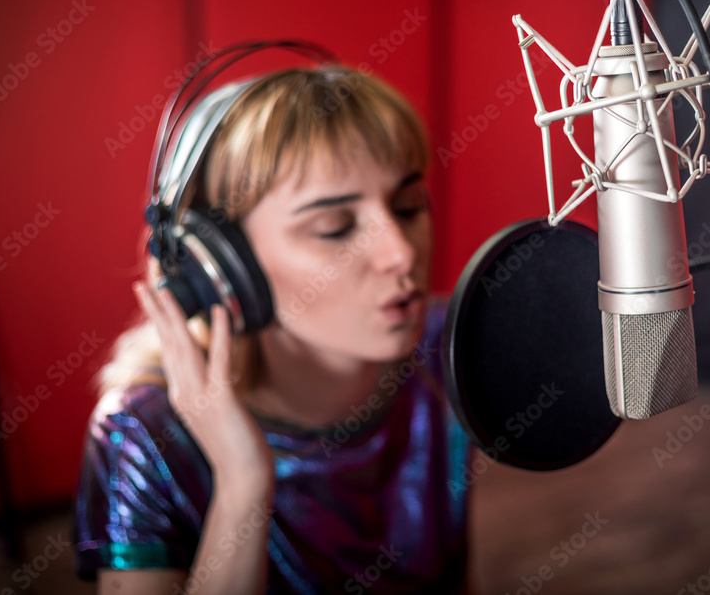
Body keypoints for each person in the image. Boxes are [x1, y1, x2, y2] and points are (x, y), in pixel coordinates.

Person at [72, 65, 473, 594]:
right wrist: (242, 482)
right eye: (335, 228)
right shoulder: (145, 432)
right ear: (222, 266)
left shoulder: (446, 347)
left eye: (407, 206)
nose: (401, 253)